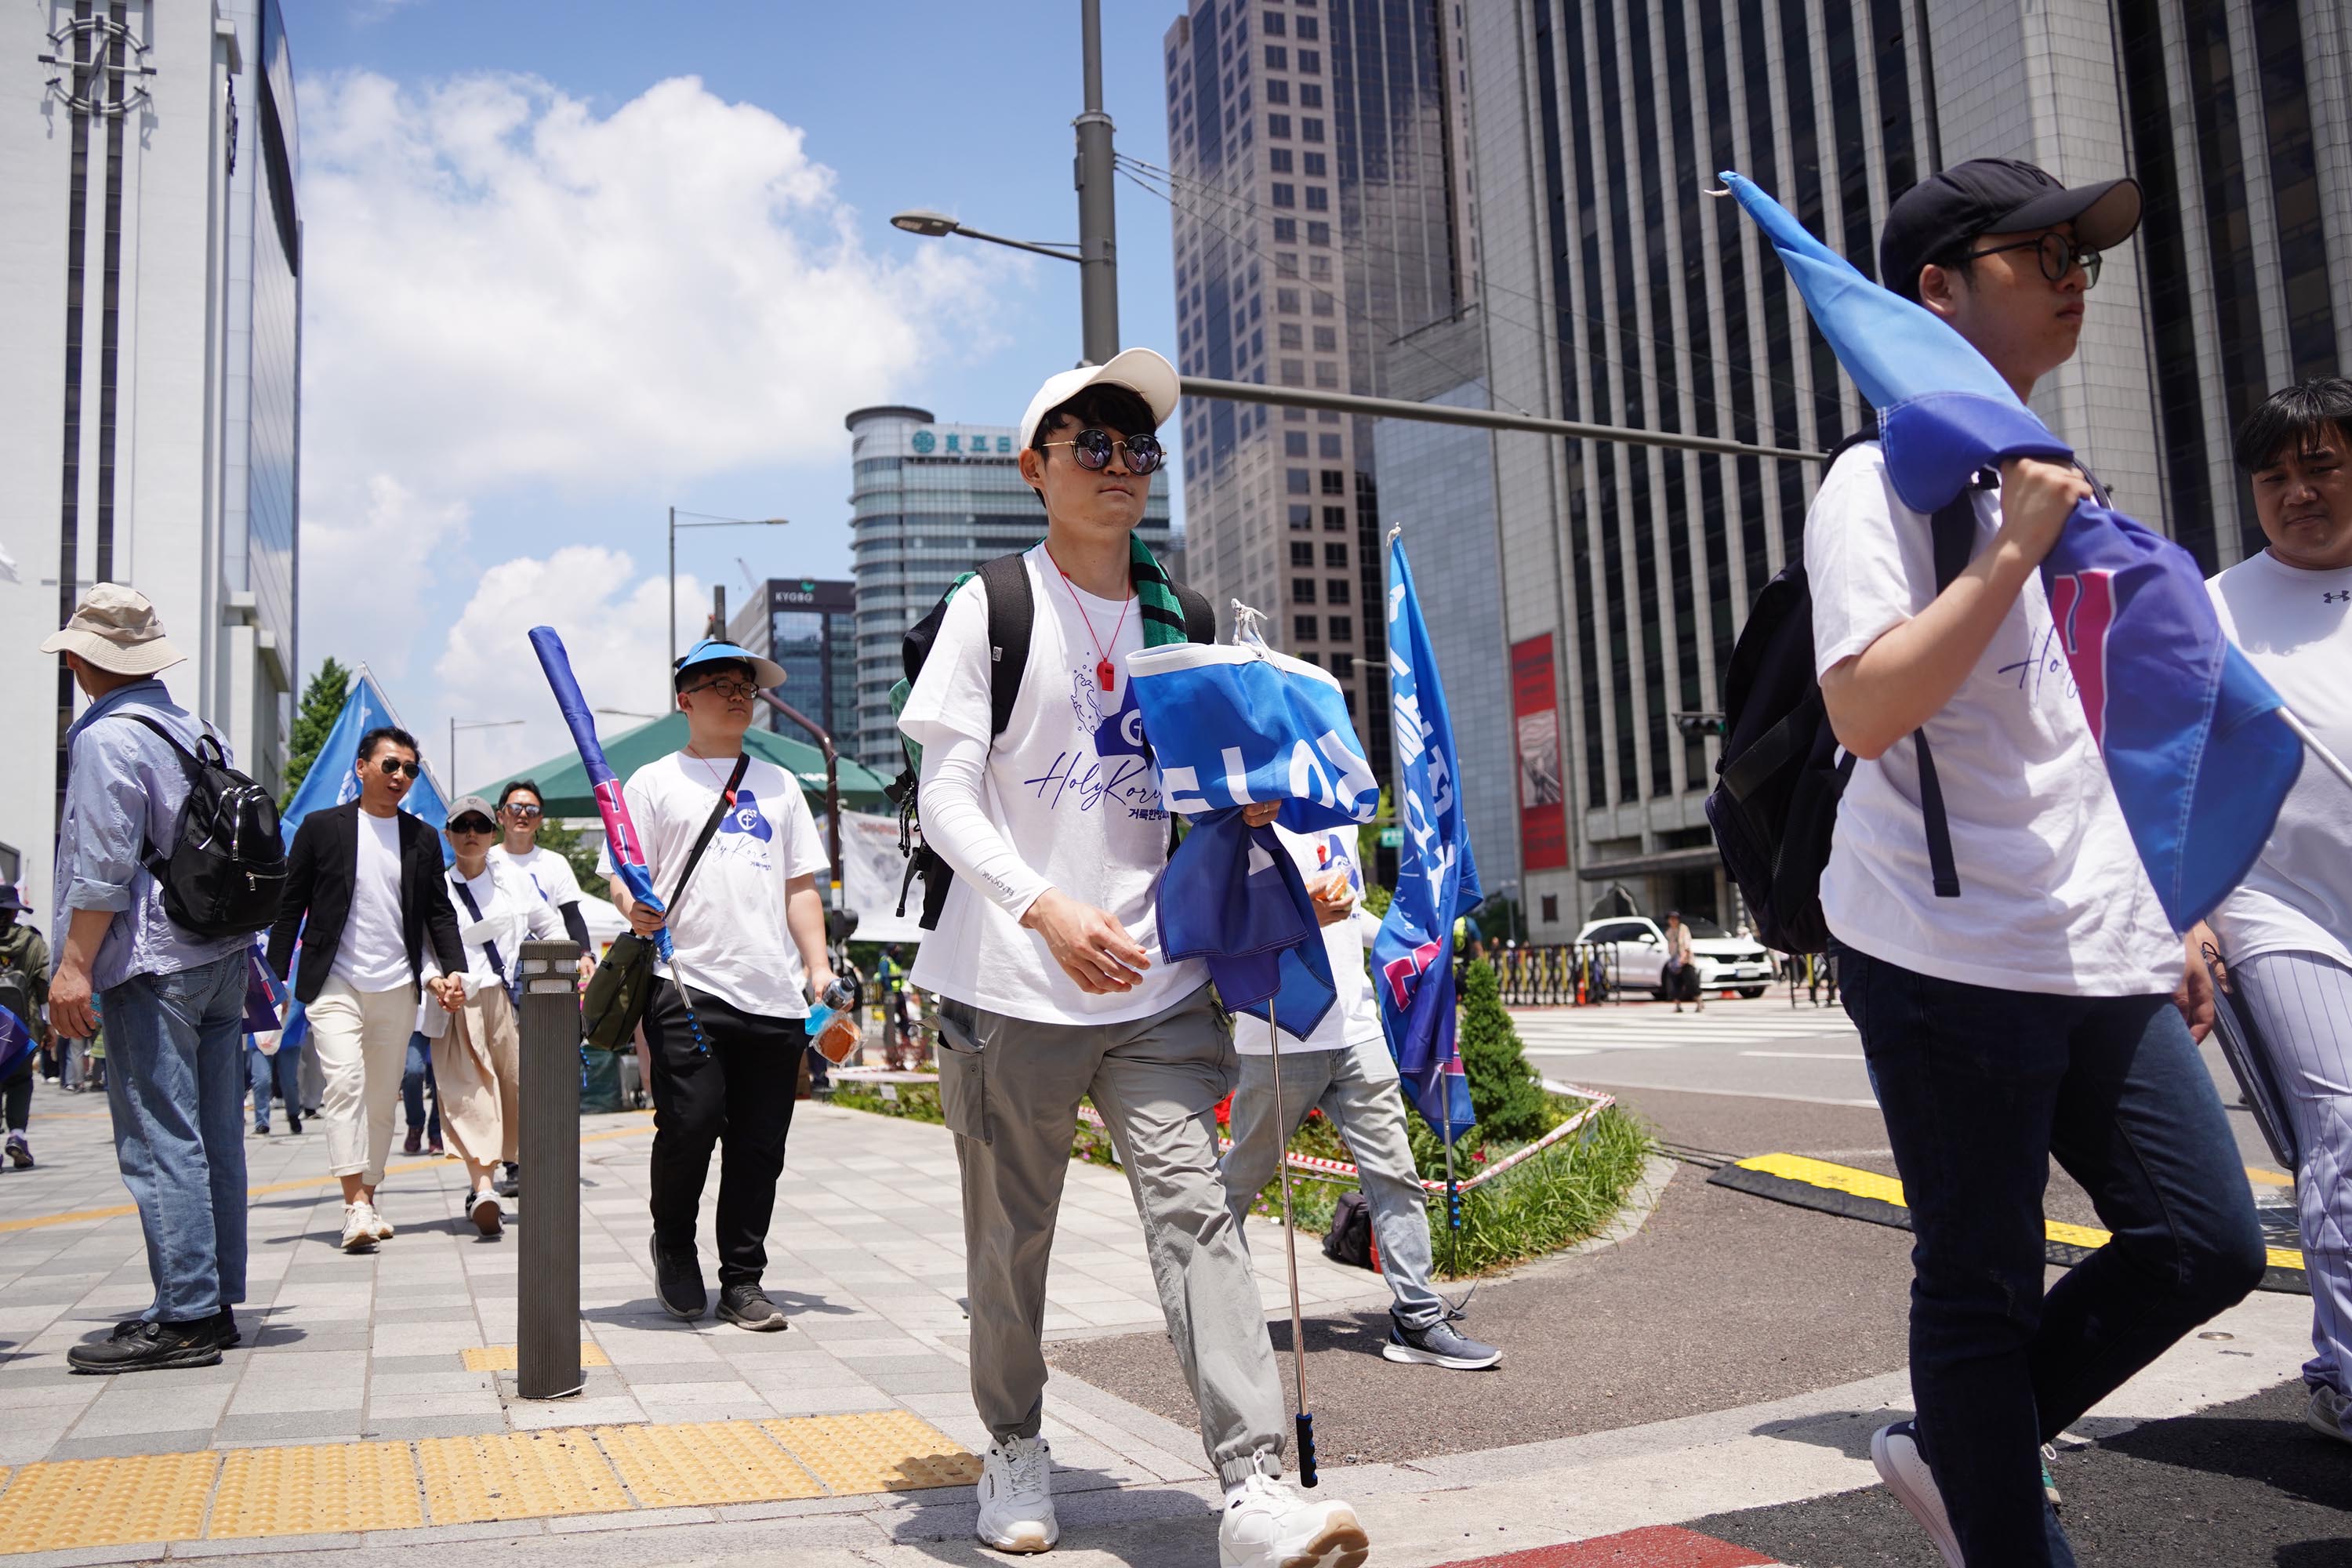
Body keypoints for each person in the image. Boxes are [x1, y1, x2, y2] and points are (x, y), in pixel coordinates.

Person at [1814, 160, 2264, 1566]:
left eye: (2085, 253)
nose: (2076, 273)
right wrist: (2008, 552)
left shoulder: (2061, 486)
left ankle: (1960, 1449)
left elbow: (2086, 739)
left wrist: (2165, 912)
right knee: (1983, 1282)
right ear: (1937, 289)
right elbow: (1868, 704)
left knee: (2206, 1241)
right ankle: (2000, 1521)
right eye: (2039, 252)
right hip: (1939, 951)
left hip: (2088, 936)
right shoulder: (1875, 485)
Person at [898, 350, 1367, 1567]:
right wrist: (1041, 907)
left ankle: (1254, 1487)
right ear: (1033, 467)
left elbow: (1208, 796)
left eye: (1136, 446)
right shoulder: (993, 605)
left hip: (1160, 983)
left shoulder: (1192, 621)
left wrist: (1262, 817)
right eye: (1090, 443)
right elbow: (946, 794)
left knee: (1199, 1217)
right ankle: (1012, 1446)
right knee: (1012, 1239)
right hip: (1015, 985)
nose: (1119, 465)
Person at [2195, 376, 2352, 1445]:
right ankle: (2349, 1373)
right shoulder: (2210, 608)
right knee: (2346, 1132)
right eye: (2275, 476)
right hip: (2276, 905)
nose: (2299, 491)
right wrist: (2184, 913)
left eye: (2324, 466)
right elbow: (2160, 768)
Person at [42, 585, 254, 1371]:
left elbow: (101, 866)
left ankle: (187, 1315)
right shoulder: (198, 729)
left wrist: (72, 967)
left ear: (79, 660)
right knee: (213, 1135)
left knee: (159, 1134)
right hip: (223, 953)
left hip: (155, 961)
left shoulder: (105, 741)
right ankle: (213, 1295)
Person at [604, 638, 835, 1331]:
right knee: (692, 1122)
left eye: (747, 684)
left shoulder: (780, 784)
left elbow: (800, 888)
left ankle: (743, 1278)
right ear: (685, 699)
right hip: (685, 979)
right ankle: (674, 1243)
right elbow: (622, 874)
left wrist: (817, 968)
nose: (738, 693)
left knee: (761, 1143)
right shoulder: (651, 782)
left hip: (770, 988)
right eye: (719, 683)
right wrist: (629, 906)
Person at [1221, 824, 1501, 1372]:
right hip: (1277, 1033)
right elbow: (1220, 923)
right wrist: (1300, 910)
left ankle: (1417, 1318)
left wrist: (1410, 941)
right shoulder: (1241, 811)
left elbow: (1348, 921)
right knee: (1239, 1180)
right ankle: (1215, 1306)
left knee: (1394, 1173)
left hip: (1356, 1031)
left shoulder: (1339, 812)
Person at [268, 727, 465, 1254]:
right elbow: (290, 907)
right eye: (390, 765)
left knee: (383, 1099)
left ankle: (370, 1199)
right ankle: (354, 1203)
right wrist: (272, 979)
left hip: (398, 985)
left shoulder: (422, 838)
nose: (400, 776)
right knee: (345, 1084)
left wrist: (453, 972)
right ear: (361, 768)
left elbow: (438, 914)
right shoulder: (319, 828)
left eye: (409, 769)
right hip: (334, 981)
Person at [423, 797, 559, 1236]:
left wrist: (575, 959)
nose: (471, 833)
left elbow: (551, 925)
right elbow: (422, 948)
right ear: (448, 834)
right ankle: (483, 1188)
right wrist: (434, 981)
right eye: (461, 825)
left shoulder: (514, 883)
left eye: (480, 825)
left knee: (515, 1089)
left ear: (493, 833)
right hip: (457, 1001)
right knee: (468, 1093)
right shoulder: (435, 887)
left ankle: (509, 1173)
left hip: (504, 999)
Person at [485, 779, 596, 1194]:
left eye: (531, 809)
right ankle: (513, 1161)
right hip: (496, 976)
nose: (522, 814)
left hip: (549, 976)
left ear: (541, 820)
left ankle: (545, 1154)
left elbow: (571, 915)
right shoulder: (488, 860)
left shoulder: (553, 864)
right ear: (500, 815)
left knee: (547, 1069)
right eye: (515, 807)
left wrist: (585, 954)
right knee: (509, 1072)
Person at [0, 884, 49, 1168]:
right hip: (22, 1027)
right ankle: (17, 1135)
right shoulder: (32, 942)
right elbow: (43, 985)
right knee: (20, 1081)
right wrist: (49, 1027)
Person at [247, 1023, 302, 1138]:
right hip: (260, 1036)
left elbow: (298, 1008)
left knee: (289, 1082)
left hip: (288, 1036)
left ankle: (293, 1114)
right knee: (261, 1080)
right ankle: (262, 1123)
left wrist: (279, 1032)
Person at [400, 1031, 441, 1156]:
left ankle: (437, 1131)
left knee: (442, 1076)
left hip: (444, 1022)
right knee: (413, 1071)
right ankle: (415, 1125)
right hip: (416, 1024)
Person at [1661, 910, 1700, 1014]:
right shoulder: (1669, 932)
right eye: (1671, 919)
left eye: (1675, 919)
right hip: (1674, 961)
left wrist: (1683, 958)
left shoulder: (1683, 929)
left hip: (1686, 961)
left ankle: (1699, 1003)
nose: (1673, 921)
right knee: (1675, 984)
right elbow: (1670, 948)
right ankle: (1677, 1005)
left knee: (1692, 983)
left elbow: (1687, 944)